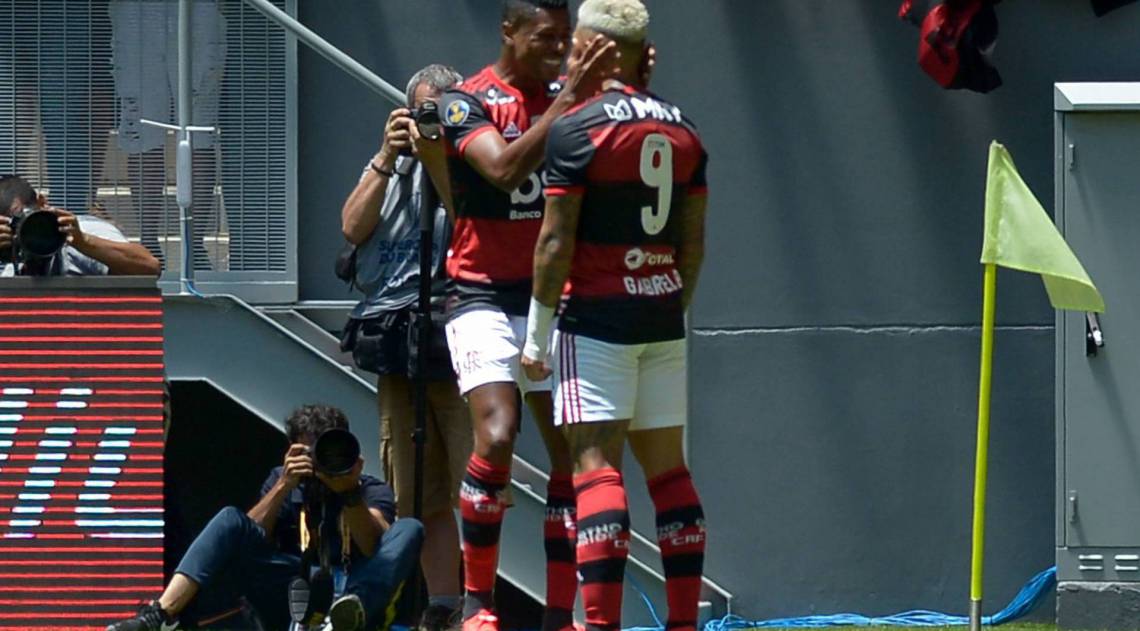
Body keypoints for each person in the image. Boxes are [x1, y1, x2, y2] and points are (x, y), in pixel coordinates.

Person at [520, 1, 709, 630]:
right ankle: (683, 624)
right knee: (669, 472)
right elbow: (693, 243)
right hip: (661, 313)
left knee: (595, 468)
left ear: (594, 50)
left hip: (596, 318)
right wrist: (667, 303)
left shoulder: (577, 128)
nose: (568, 55)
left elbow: (554, 241)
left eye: (576, 45)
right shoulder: (685, 129)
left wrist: (537, 337)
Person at [429, 2, 617, 630]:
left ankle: (559, 615)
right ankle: (478, 604)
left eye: (566, 38)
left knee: (572, 451)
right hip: (480, 293)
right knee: (498, 433)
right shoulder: (465, 101)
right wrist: (568, 106)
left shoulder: (572, 97)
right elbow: (504, 170)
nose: (559, 49)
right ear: (509, 32)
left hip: (554, 296)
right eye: (546, 37)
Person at [339, 63, 471, 631]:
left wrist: (440, 153)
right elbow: (352, 228)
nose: (427, 124)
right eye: (420, 113)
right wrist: (386, 155)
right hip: (397, 339)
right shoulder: (389, 167)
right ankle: (438, 606)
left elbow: (471, 223)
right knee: (414, 491)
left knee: (476, 485)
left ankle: (472, 606)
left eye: (438, 114)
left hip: (459, 335)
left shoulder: (472, 161)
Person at [106, 405, 425, 631]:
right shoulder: (282, 480)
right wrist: (285, 486)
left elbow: (373, 547)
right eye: (309, 453)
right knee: (230, 518)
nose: (318, 461)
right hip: (292, 587)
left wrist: (348, 492)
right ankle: (160, 615)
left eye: (326, 450)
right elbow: (247, 534)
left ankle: (345, 618)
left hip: (356, 592)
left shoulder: (369, 488)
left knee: (409, 528)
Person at [0, 175, 160, 277]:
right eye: (10, 225)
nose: (20, 232)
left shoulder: (82, 230)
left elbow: (149, 268)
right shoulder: (11, 261)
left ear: (42, 203)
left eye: (21, 219)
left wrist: (84, 242)